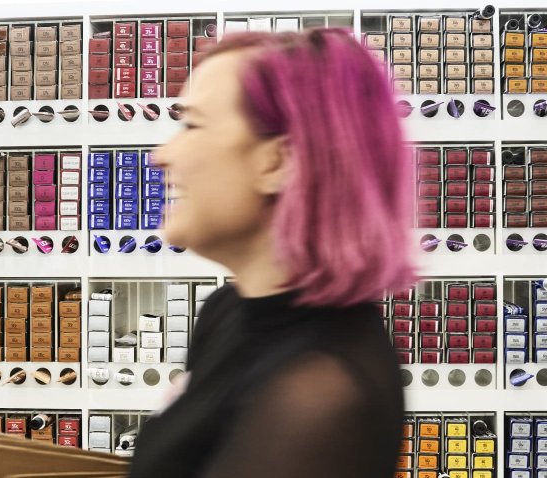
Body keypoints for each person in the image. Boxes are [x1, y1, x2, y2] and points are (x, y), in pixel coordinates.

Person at [130, 28, 416, 477]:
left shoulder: (319, 392)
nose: (160, 155)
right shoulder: (226, 311)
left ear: (280, 162)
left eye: (191, 124)